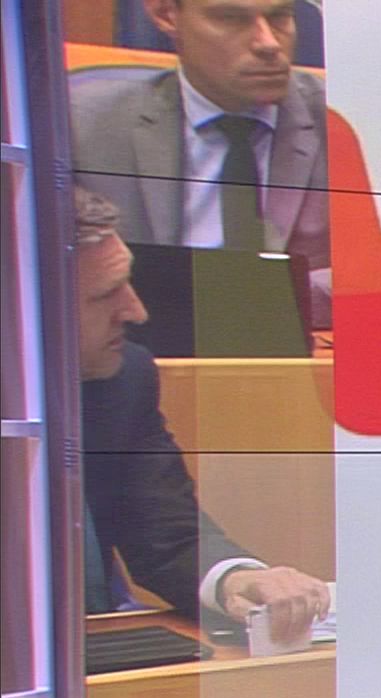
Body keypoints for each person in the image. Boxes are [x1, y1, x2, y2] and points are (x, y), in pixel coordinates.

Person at [76, 186, 330, 643]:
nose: (136, 311)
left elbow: (165, 534)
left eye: (128, 283)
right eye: (105, 294)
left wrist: (237, 579)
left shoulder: (125, 376)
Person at [69, 0, 330, 314]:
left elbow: (378, 278)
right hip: (148, 337)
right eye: (231, 18)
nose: (268, 43)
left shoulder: (344, 121)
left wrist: (245, 298)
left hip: (304, 343)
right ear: (166, 15)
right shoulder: (84, 127)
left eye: (279, 17)